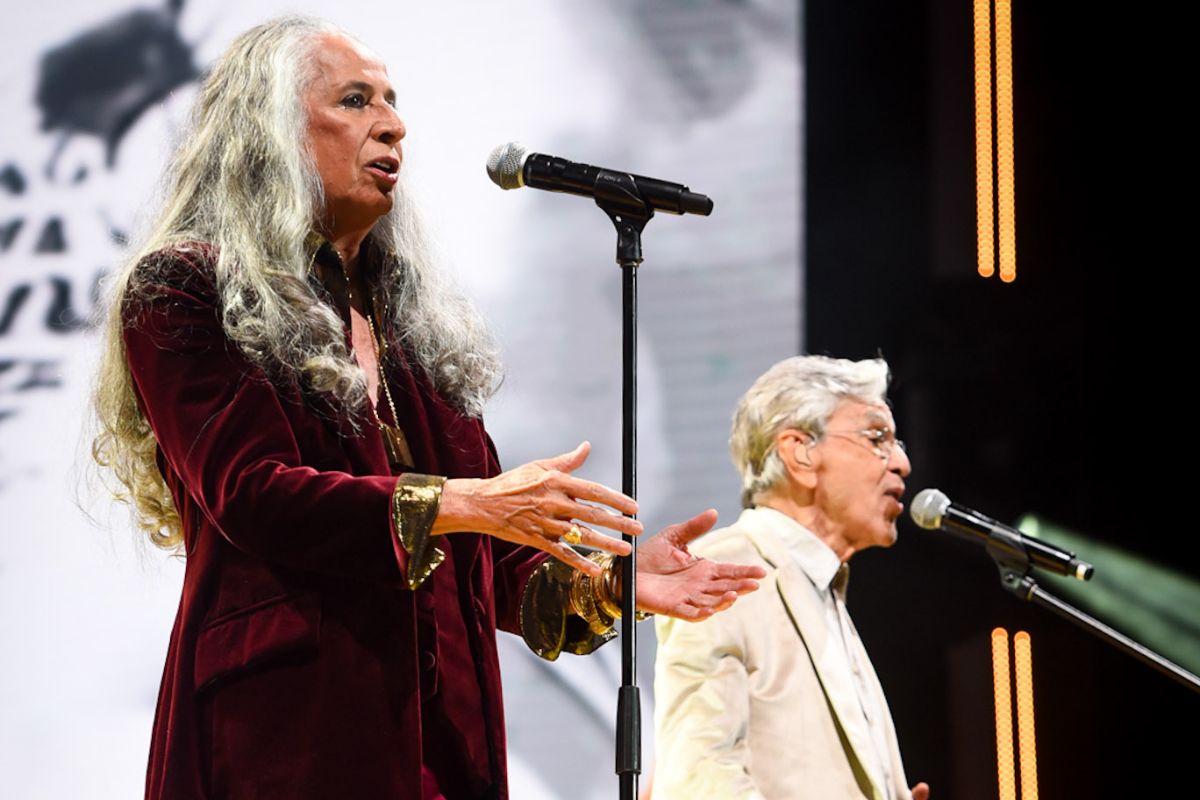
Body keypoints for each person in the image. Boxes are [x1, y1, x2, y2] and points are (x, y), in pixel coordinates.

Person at [89, 15, 765, 800]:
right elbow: (253, 492)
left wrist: (608, 581)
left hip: (443, 754)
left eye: (392, 100)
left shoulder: (409, 332)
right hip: (284, 740)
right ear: (266, 130)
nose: (394, 123)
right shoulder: (182, 287)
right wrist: (465, 500)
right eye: (354, 100)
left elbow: (491, 561)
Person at [651, 355, 930, 800]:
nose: (902, 462)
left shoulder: (825, 588)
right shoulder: (726, 570)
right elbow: (697, 779)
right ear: (800, 453)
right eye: (877, 437)